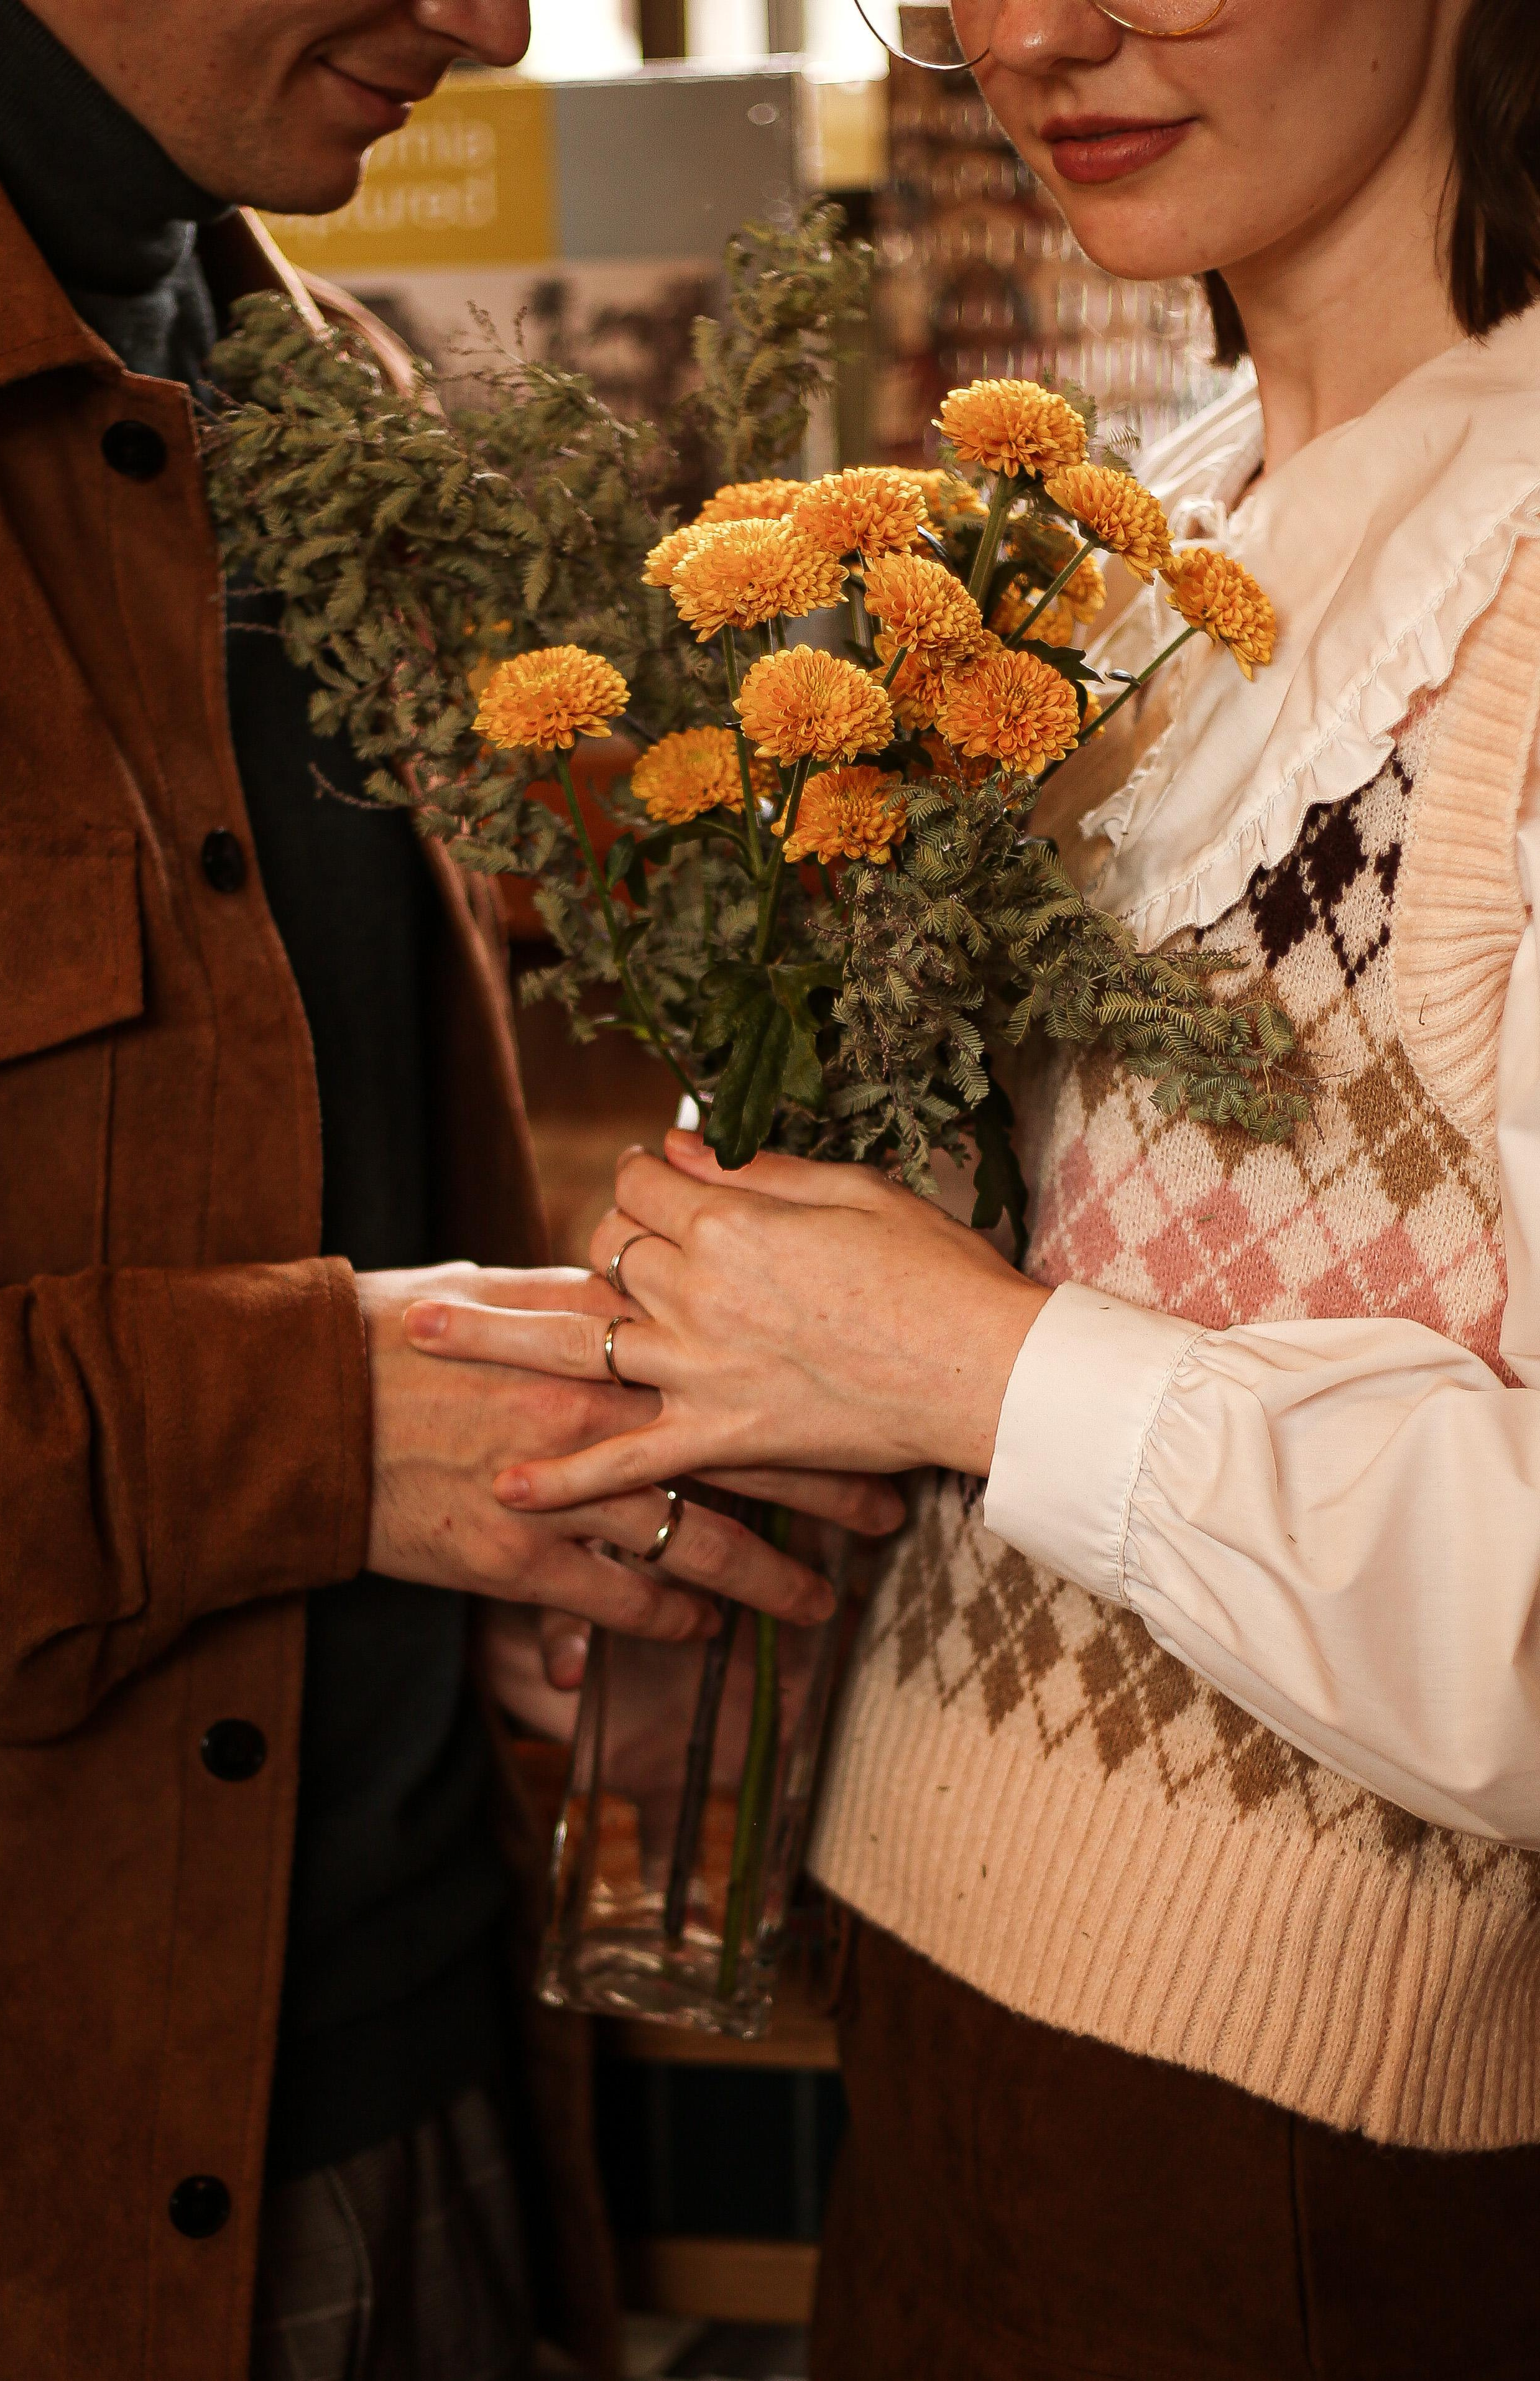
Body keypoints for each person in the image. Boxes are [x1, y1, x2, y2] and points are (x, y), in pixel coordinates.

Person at [416, 1, 1540, 2372]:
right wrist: (732, 1575)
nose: (1029, 37)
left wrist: (969, 1365)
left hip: (1310, 2162)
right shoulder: (1140, 542)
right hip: (927, 2021)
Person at [0, 3, 903, 2375]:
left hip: (425, 2080)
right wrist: (326, 1433)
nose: (488, 26)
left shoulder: (309, 399)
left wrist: (493, 1530)